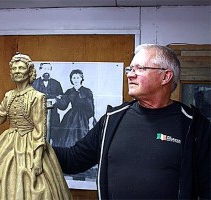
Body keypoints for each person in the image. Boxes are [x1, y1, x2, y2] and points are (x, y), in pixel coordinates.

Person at [53, 44, 210, 199]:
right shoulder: (112, 120)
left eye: (140, 69)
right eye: (130, 69)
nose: (130, 75)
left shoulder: (194, 126)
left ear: (165, 76)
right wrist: (33, 144)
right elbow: (73, 159)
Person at [0, 53, 72, 200]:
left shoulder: (38, 97)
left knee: (35, 186)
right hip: (8, 144)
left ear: (29, 72)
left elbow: (40, 129)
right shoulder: (9, 95)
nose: (17, 71)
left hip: (31, 144)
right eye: (14, 68)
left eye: (21, 68)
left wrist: (38, 158)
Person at [57, 69, 95, 147]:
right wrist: (57, 100)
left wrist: (90, 121)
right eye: (74, 78)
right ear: (71, 79)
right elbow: (63, 106)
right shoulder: (69, 91)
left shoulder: (87, 91)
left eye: (78, 77)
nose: (76, 80)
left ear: (81, 78)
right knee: (68, 139)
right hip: (71, 117)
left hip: (84, 118)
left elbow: (91, 108)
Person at [31, 62, 64, 145]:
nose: (47, 71)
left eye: (49, 69)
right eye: (45, 69)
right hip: (37, 118)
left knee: (55, 141)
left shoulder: (56, 84)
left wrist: (56, 100)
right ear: (40, 70)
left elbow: (63, 103)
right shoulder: (33, 84)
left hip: (54, 119)